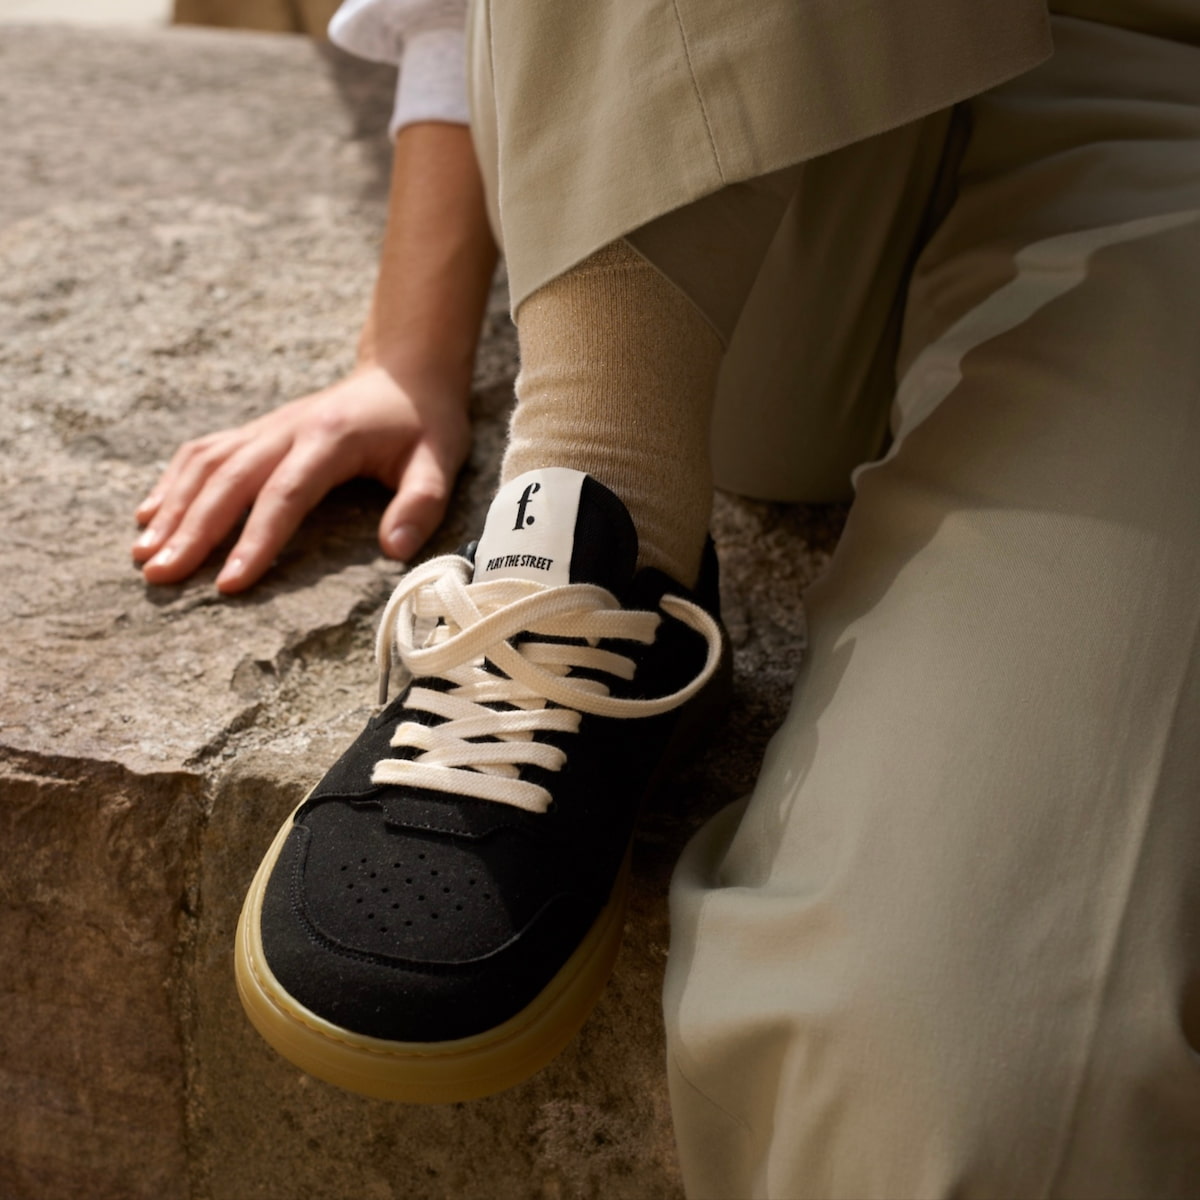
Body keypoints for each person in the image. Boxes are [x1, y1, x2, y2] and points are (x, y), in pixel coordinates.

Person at [137, 0, 1200, 1195]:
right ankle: (601, 504)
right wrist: (409, 344)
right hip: (758, 124)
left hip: (1166, 122)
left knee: (982, 1077)